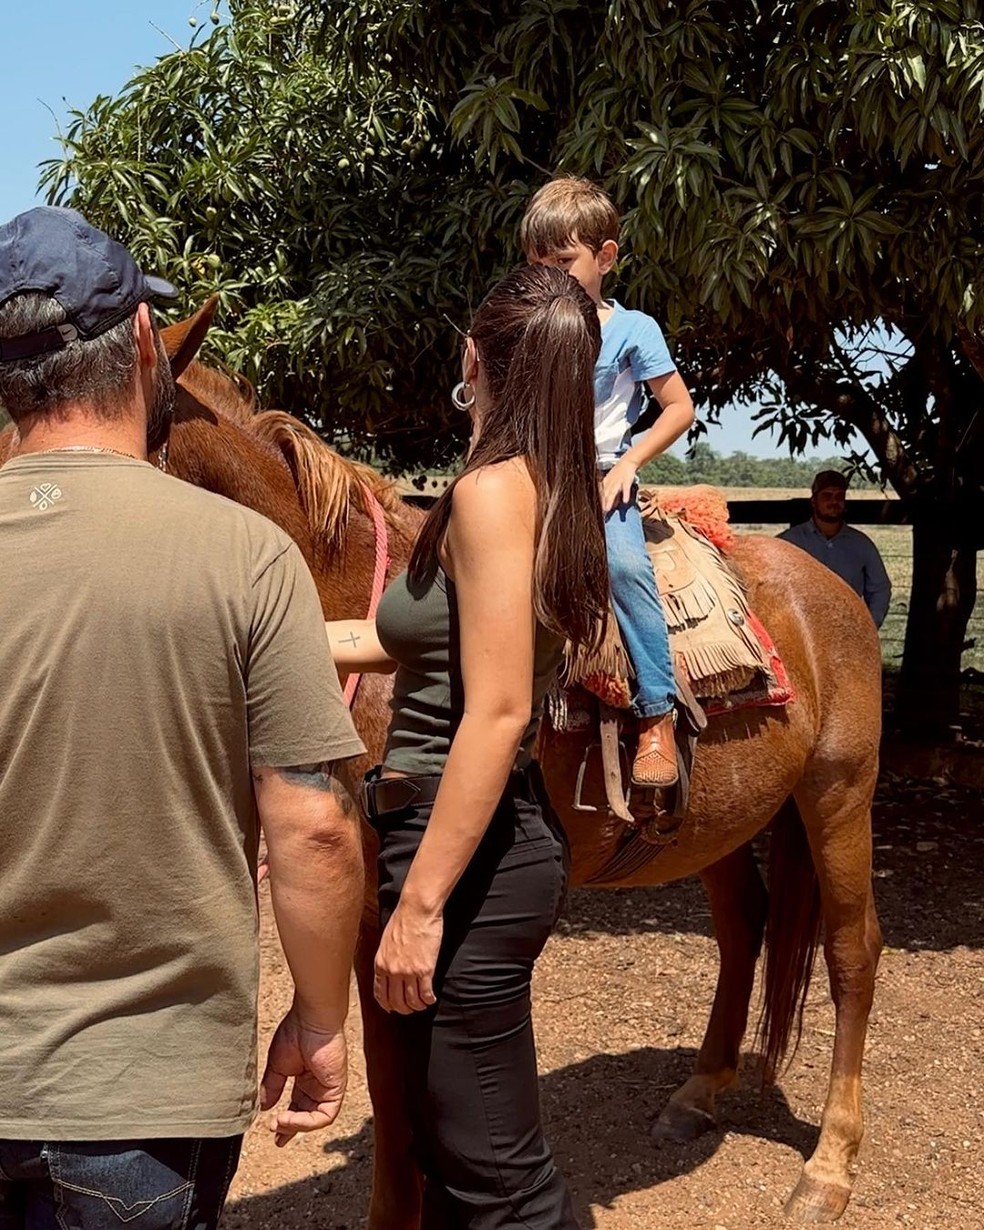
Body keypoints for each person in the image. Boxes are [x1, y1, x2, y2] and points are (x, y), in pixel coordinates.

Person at [0, 206, 366, 1226]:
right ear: (148, 351)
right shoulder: (245, 558)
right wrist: (322, 1017)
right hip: (139, 1098)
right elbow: (315, 825)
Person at [325, 264, 610, 1228]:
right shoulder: (541, 482)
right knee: (449, 1163)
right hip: (470, 843)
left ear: (474, 358)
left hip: (465, 857)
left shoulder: (490, 492)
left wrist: (418, 908)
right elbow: (421, 644)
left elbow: (492, 714)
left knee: (501, 1185)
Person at [519, 175, 695, 787]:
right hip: (531, 474)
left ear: (606, 257)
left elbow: (679, 407)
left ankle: (656, 715)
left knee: (624, 569)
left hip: (599, 477)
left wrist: (627, 465)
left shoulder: (633, 330)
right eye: (539, 264)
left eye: (565, 261)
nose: (552, 277)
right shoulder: (527, 328)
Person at [779, 469, 892, 627]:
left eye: (839, 496)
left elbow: (880, 589)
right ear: (813, 501)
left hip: (846, 631)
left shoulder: (861, 544)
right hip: (800, 630)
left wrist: (870, 627)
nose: (834, 501)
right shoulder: (788, 542)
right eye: (827, 495)